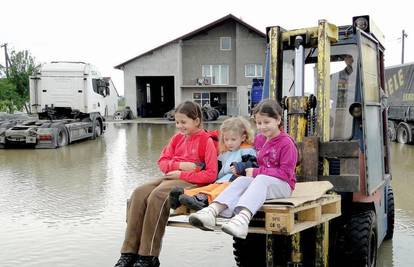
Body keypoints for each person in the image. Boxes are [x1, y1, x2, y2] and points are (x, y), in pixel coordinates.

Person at [114, 101, 218, 267]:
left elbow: (211, 175)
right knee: (139, 193)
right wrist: (179, 166)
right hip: (171, 176)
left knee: (158, 195)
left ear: (197, 121)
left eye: (183, 122)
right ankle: (128, 252)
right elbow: (162, 162)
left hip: (191, 181)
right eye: (177, 122)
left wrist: (183, 173)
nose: (179, 126)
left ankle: (148, 256)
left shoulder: (207, 141)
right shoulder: (177, 138)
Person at [189, 99, 298, 239]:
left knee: (260, 179)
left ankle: (243, 219)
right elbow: (247, 150)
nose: (262, 127)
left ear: (278, 120)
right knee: (242, 180)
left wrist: (257, 172)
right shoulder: (260, 139)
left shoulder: (286, 144)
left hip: (284, 185)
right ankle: (212, 211)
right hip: (263, 181)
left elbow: (285, 174)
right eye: (259, 123)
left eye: (266, 122)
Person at [169, 116, 256, 211]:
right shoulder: (225, 153)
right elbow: (216, 166)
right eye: (226, 140)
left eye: (233, 139)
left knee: (219, 190)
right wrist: (201, 168)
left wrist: (239, 167)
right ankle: (184, 194)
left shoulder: (247, 150)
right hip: (221, 180)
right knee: (211, 187)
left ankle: (204, 200)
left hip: (235, 181)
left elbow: (252, 164)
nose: (229, 143)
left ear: (243, 137)